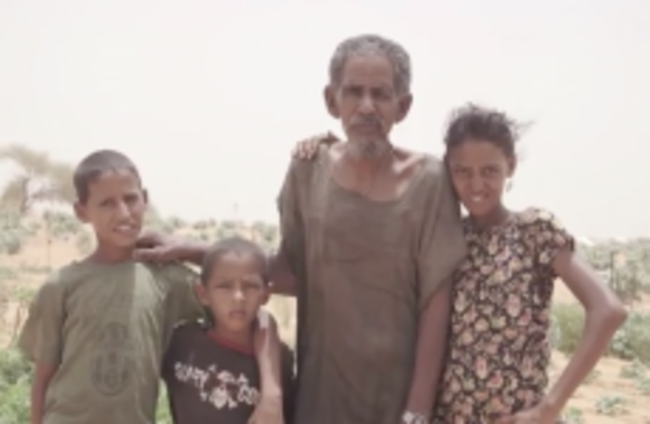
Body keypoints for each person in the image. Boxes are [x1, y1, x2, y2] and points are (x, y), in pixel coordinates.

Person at [136, 34, 467, 424]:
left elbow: (436, 302)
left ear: (403, 106)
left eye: (381, 94)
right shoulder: (308, 171)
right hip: (319, 397)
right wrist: (188, 249)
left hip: (396, 400)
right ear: (331, 100)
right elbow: (287, 273)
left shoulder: (429, 183)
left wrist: (417, 411)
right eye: (354, 92)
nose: (366, 106)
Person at [292, 104, 628, 424]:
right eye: (462, 172)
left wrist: (550, 407)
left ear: (510, 165)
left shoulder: (534, 231)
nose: (476, 184)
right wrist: (332, 148)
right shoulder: (446, 237)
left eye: (489, 171)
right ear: (447, 171)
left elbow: (608, 310)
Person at [18, 150, 284, 424]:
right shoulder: (61, 286)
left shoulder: (165, 279)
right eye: (107, 203)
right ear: (81, 211)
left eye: (130, 199)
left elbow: (254, 312)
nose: (123, 213)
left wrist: (271, 394)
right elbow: (43, 377)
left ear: (144, 199)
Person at [162, 236, 295, 424]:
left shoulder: (278, 362)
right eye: (224, 286)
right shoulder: (181, 341)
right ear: (203, 293)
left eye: (250, 286)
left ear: (266, 294)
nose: (238, 297)